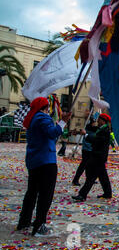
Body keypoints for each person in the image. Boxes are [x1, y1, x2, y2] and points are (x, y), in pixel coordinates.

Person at [16, 97, 72, 236]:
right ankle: (39, 225)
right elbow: (52, 133)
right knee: (45, 195)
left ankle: (24, 221)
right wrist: (63, 122)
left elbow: (48, 137)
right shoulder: (43, 118)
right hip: (46, 161)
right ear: (46, 107)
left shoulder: (33, 119)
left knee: (32, 192)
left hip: (34, 161)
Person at [72, 114, 113, 202]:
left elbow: (96, 140)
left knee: (91, 177)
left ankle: (82, 195)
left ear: (103, 120)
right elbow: (92, 131)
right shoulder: (102, 129)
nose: (97, 121)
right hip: (98, 156)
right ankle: (108, 193)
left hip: (98, 156)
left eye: (99, 119)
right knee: (103, 176)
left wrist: (86, 135)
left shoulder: (105, 130)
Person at [72, 117, 97, 186]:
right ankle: (75, 179)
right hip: (87, 149)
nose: (95, 124)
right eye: (94, 122)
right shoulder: (88, 128)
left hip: (90, 149)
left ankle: (89, 179)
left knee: (89, 166)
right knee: (83, 165)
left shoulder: (94, 129)